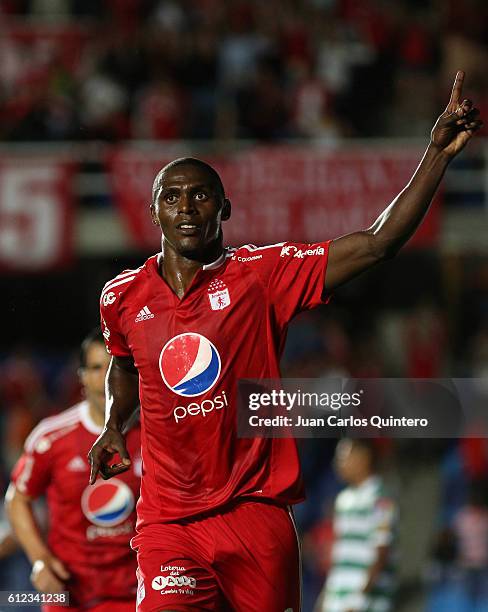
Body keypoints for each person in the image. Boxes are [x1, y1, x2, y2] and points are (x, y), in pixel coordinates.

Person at [89, 72, 482, 612]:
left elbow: (377, 243)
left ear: (224, 210)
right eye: (172, 197)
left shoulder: (261, 276)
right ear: (155, 210)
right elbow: (124, 365)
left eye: (201, 195)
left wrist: (436, 154)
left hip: (256, 511)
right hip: (169, 520)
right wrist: (114, 423)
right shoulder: (122, 296)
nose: (186, 207)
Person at [6, 329, 141, 612]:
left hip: (137, 591)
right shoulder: (51, 437)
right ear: (80, 377)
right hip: (71, 595)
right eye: (95, 367)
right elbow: (18, 498)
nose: (106, 377)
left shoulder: (155, 434)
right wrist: (40, 559)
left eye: (113, 366)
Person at [315, 439, 397, 612]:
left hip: (366, 602)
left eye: (343, 456)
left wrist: (358, 600)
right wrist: (325, 597)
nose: (337, 463)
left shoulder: (381, 498)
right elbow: (340, 555)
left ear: (364, 457)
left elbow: (381, 551)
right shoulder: (343, 500)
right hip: (336, 600)